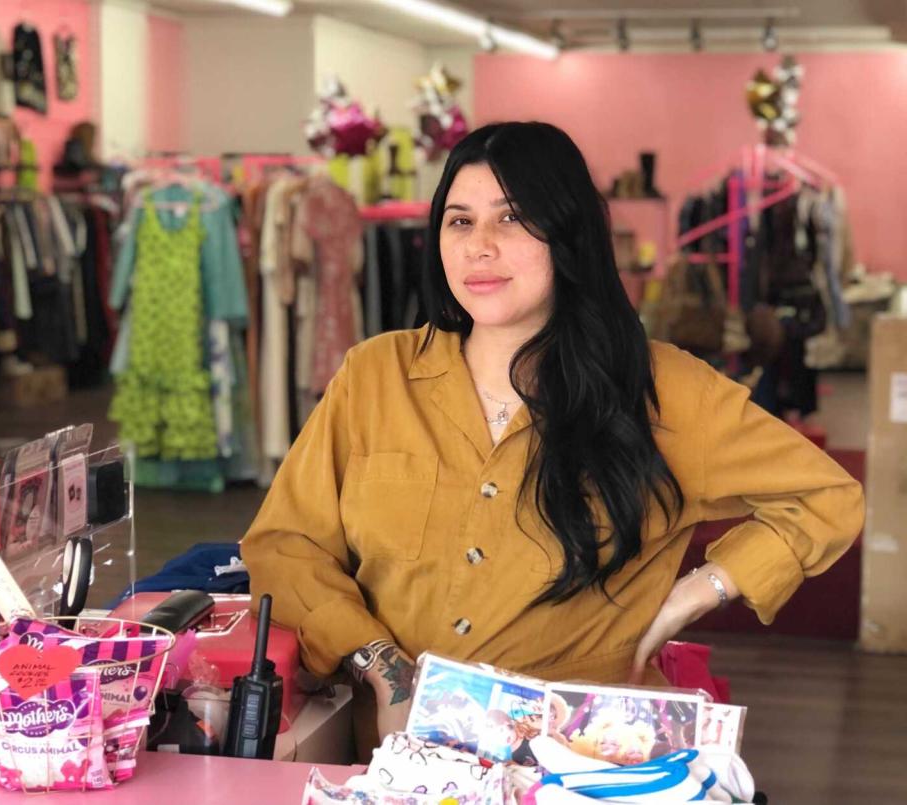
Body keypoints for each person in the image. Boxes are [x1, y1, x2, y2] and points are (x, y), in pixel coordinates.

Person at [240, 121, 864, 759]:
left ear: (567, 235)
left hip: (583, 765)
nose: (479, 247)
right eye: (459, 222)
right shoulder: (376, 375)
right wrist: (386, 669)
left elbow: (826, 498)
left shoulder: (667, 391)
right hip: (399, 764)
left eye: (510, 219)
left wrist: (690, 596)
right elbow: (287, 544)